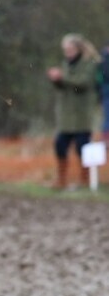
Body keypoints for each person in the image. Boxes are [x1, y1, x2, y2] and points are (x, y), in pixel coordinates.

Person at [46, 34, 101, 190]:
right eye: (65, 50)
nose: (67, 52)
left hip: (82, 116)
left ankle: (85, 180)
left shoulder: (89, 64)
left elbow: (82, 84)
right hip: (66, 116)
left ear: (78, 48)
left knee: (82, 147)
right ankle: (61, 180)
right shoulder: (66, 64)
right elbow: (64, 85)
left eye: (70, 49)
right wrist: (56, 80)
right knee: (60, 145)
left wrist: (62, 77)